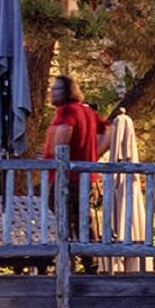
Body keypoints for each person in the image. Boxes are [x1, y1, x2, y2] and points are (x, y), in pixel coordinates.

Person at [44, 76, 107, 261]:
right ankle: (90, 264)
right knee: (84, 221)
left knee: (63, 220)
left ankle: (68, 263)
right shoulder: (87, 111)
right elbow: (108, 133)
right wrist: (93, 158)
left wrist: (57, 156)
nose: (51, 92)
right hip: (87, 177)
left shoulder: (67, 111)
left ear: (67, 92)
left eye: (56, 89)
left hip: (67, 177)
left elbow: (64, 136)